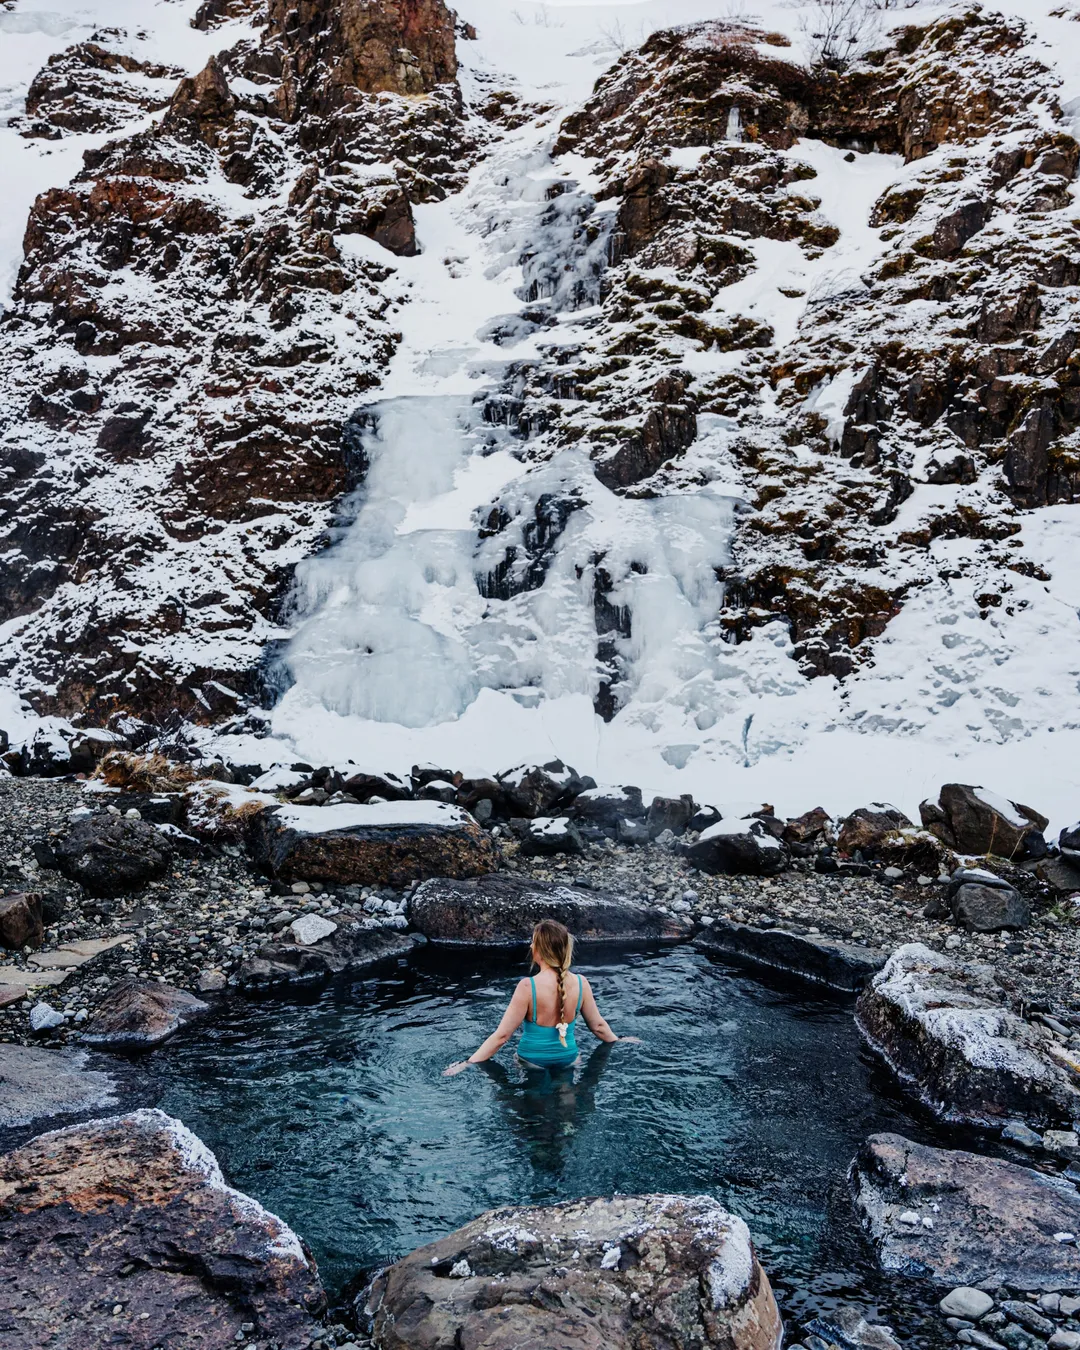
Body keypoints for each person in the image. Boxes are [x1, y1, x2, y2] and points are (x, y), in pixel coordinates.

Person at [443, 918, 638, 1076]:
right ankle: (568, 1124)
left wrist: (467, 1063)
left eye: (533, 941)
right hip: (569, 1059)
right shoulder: (581, 983)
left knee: (534, 1111)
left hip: (532, 1062)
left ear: (539, 950)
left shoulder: (528, 986)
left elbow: (501, 1037)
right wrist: (618, 1040)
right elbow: (599, 1027)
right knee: (566, 1107)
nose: (530, 945)